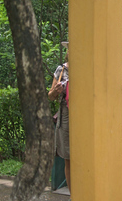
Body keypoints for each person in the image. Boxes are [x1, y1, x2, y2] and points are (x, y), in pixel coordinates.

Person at [48, 41, 71, 191]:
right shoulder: (61, 69)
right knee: (69, 158)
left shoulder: (89, 67)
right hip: (66, 115)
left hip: (85, 114)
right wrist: (57, 90)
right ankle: (73, 195)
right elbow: (50, 96)